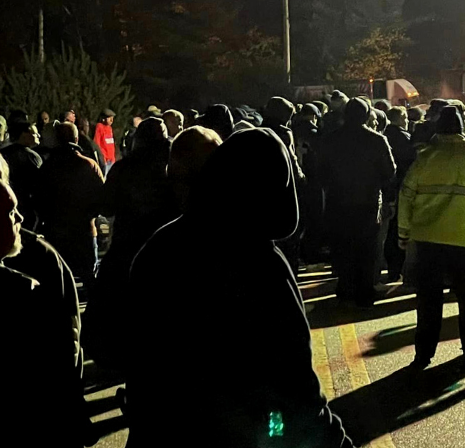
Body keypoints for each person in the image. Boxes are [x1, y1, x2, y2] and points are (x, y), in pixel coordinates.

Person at [126, 128, 353, 448]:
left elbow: (133, 352)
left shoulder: (158, 248)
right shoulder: (259, 262)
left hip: (164, 429)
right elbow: (293, 381)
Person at [399, 106, 465, 371]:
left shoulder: (425, 158)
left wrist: (403, 233)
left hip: (427, 240)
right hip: (464, 240)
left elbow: (406, 195)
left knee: (428, 303)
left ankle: (423, 355)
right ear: (463, 128)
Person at [0, 167, 95, 447]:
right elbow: (63, 352)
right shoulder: (23, 288)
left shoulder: (39, 260)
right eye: (9, 211)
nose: (20, 217)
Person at [85, 118, 176, 372]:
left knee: (115, 310)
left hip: (128, 247)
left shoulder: (125, 168)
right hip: (169, 249)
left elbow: (107, 205)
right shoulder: (176, 165)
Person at [317, 98, 396, 307]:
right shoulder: (377, 140)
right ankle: (364, 290)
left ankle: (344, 288)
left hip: (338, 201)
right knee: (367, 248)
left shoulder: (330, 140)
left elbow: (320, 171)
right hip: (368, 202)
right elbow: (390, 171)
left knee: (342, 246)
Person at [36, 122, 104, 294]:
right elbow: (102, 199)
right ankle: (93, 318)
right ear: (76, 138)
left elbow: (38, 200)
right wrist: (90, 216)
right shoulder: (89, 165)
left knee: (57, 282)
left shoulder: (47, 167)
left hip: (56, 231)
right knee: (89, 278)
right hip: (85, 231)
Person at [383, 106, 415, 283]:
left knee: (389, 232)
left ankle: (391, 268)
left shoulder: (385, 135)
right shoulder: (404, 138)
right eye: (404, 117)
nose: (407, 120)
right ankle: (398, 269)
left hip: (389, 189)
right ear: (398, 118)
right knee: (398, 231)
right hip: (401, 188)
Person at [2, 120, 43, 229]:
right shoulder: (33, 157)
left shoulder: (2, 153)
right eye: (34, 133)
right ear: (23, 135)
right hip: (27, 209)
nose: (38, 135)